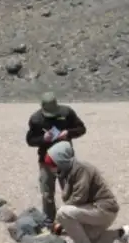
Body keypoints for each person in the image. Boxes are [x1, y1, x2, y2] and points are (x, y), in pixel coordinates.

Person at [44, 140, 129, 243]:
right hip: (97, 210)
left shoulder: (81, 169)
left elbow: (79, 197)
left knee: (62, 213)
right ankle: (120, 234)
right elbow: (68, 197)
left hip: (104, 209)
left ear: (61, 161)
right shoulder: (70, 171)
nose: (52, 169)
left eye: (53, 165)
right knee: (85, 237)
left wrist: (58, 222)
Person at [25, 92, 87, 229]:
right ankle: (49, 222)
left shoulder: (67, 113)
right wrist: (43, 139)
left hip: (65, 160)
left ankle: (74, 220)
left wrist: (69, 133)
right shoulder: (36, 119)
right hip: (45, 161)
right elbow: (30, 140)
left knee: (69, 191)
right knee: (47, 193)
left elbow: (82, 128)